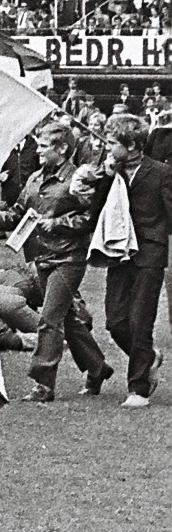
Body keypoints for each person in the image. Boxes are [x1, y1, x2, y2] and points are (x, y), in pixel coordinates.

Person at [0, 118, 111, 401]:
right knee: (70, 320)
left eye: (44, 146)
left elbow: (92, 218)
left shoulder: (79, 179)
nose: (38, 151)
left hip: (68, 258)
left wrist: (59, 223)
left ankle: (43, 384)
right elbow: (17, 214)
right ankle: (98, 369)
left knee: (49, 320)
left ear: (62, 149)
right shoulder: (35, 179)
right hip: (41, 258)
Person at [96, 113, 171, 407]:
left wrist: (157, 236)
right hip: (119, 252)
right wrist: (105, 177)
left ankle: (138, 388)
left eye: (113, 142)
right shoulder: (110, 171)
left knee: (141, 321)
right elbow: (97, 211)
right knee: (115, 321)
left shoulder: (162, 172)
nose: (107, 147)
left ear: (131, 144)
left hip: (149, 253)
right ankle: (149, 358)